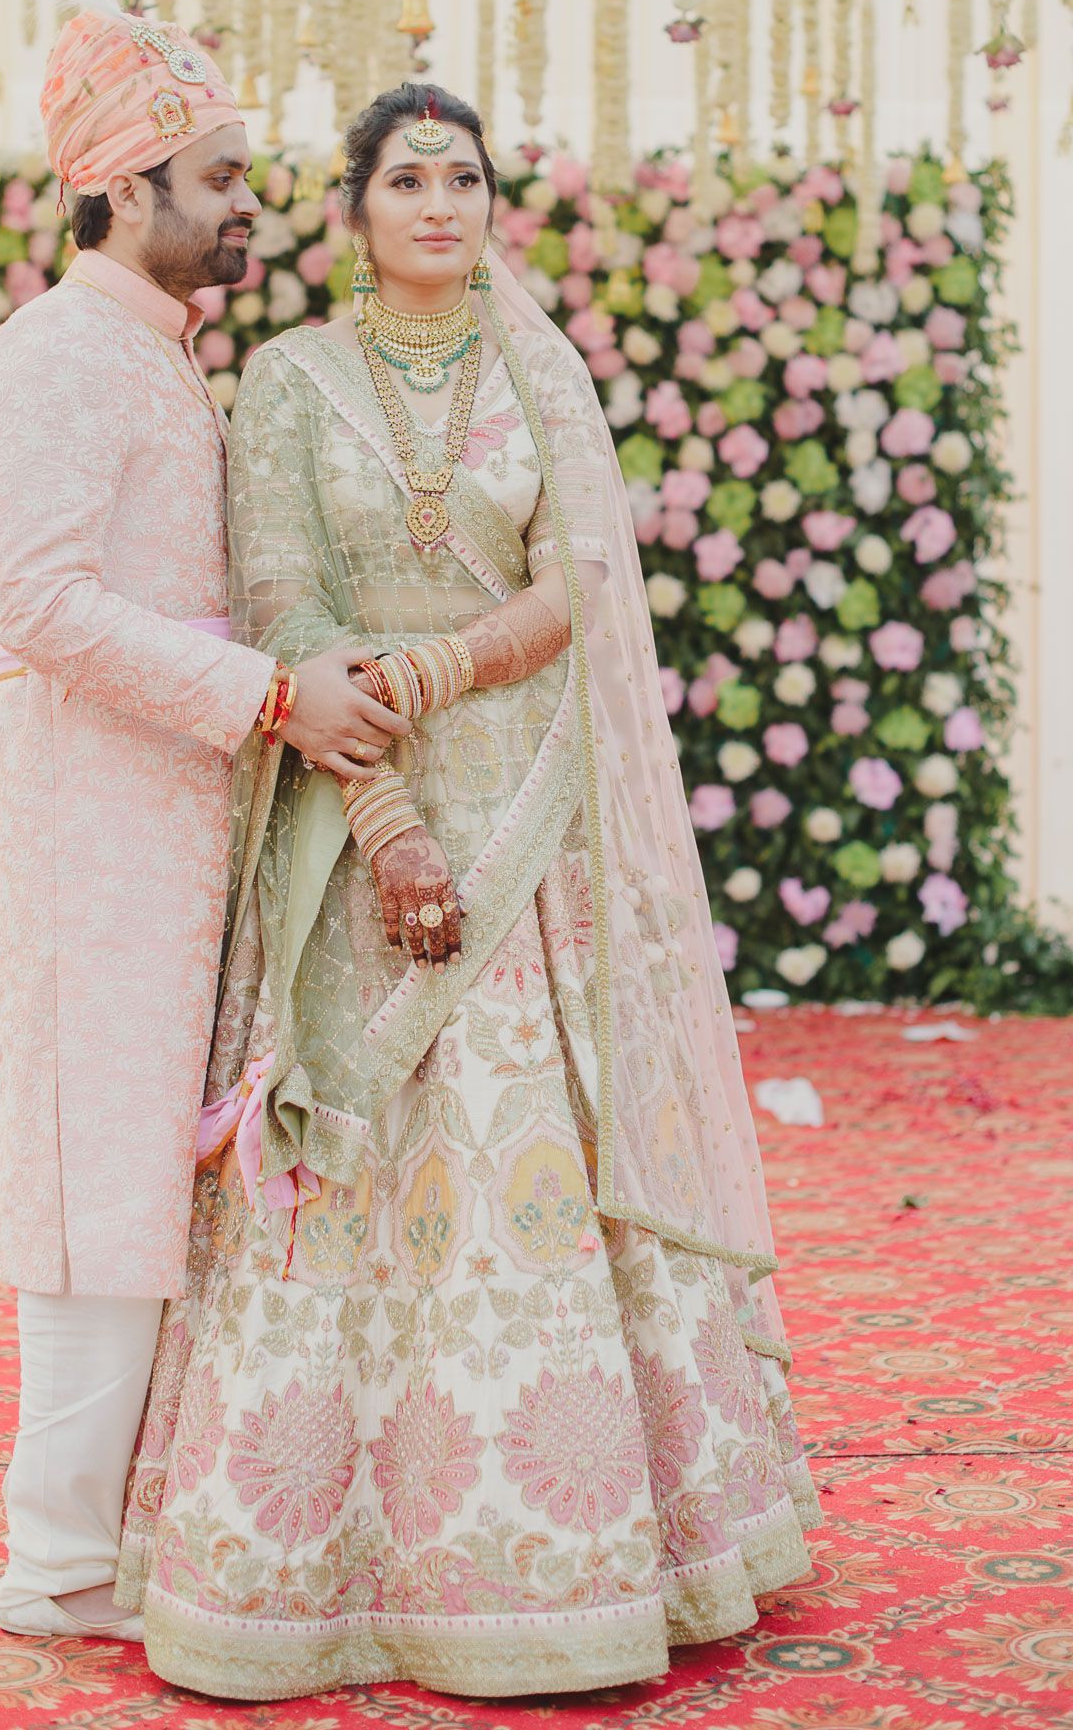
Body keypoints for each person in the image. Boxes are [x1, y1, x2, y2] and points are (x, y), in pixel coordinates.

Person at [115, 83, 822, 1699]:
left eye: (468, 178)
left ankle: (578, 1552)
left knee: (541, 1152)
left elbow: (576, 584)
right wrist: (386, 825)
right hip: (348, 809)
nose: (443, 202)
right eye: (409, 177)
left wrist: (433, 672)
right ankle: (325, 1557)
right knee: (359, 1153)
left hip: (534, 812)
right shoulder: (286, 381)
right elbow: (284, 604)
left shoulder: (540, 369)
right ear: (354, 205)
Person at [0, 0, 409, 1644]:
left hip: (172, 823)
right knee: (91, 1190)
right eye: (215, 178)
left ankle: (108, 1537)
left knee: (151, 1175)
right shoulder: (58, 357)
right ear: (122, 188)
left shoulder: (156, 357)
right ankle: (53, 1560)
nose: (243, 208)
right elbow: (43, 610)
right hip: (93, 839)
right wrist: (274, 698)